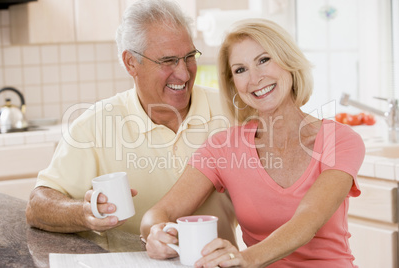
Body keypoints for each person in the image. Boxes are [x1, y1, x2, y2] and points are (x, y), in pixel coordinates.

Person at [141, 18, 365, 268]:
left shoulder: (341, 140)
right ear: (234, 85)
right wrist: (157, 233)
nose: (255, 78)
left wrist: (243, 258)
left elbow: (307, 221)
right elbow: (157, 214)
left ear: (288, 61)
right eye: (240, 70)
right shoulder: (223, 147)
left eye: (264, 60)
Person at [25, 0, 237, 246]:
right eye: (168, 61)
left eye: (189, 57)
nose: (184, 73)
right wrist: (84, 212)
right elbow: (37, 205)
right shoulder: (93, 126)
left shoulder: (231, 112)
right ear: (131, 63)